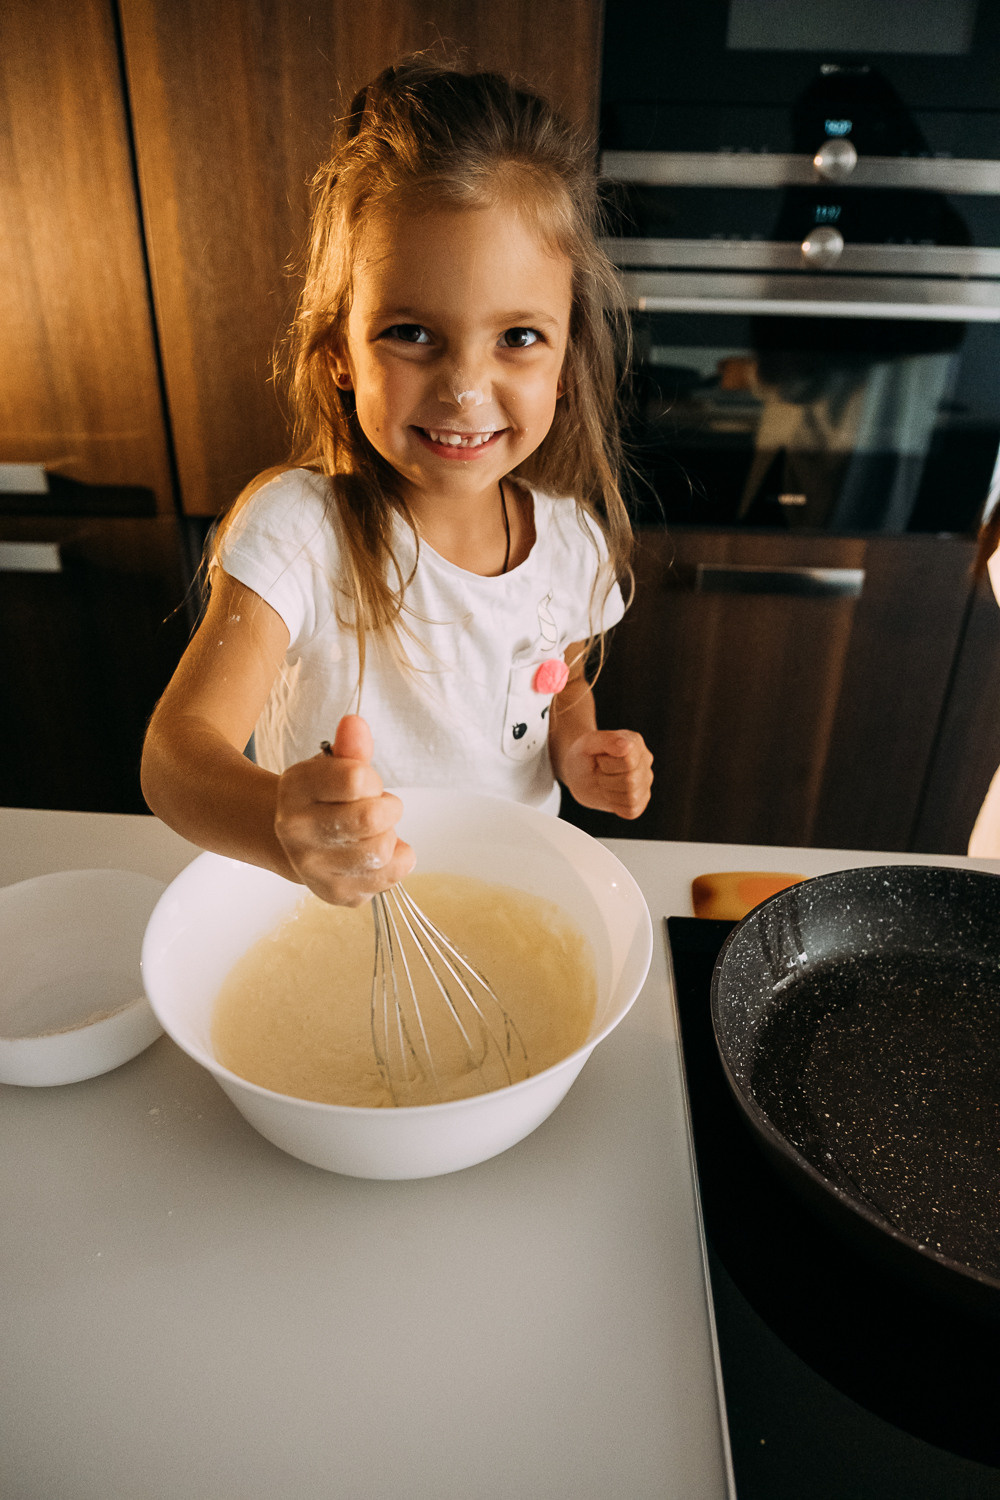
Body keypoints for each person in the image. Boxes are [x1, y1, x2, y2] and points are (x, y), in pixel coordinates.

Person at [141, 56, 653, 908]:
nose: (463, 386)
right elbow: (174, 758)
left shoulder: (572, 540)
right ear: (339, 349)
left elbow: (556, 674)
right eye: (413, 331)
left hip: (513, 894)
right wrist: (282, 823)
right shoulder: (301, 532)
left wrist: (576, 746)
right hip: (326, 906)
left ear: (567, 362)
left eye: (518, 336)